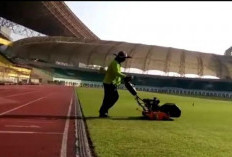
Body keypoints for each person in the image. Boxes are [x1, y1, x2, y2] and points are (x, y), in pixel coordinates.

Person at [99, 51, 132, 118]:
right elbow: (116, 73)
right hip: (110, 83)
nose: (125, 59)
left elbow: (116, 74)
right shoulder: (115, 63)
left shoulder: (117, 63)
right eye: (124, 58)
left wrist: (122, 79)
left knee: (107, 99)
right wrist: (125, 76)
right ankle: (103, 111)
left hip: (109, 83)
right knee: (115, 97)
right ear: (120, 58)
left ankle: (103, 112)